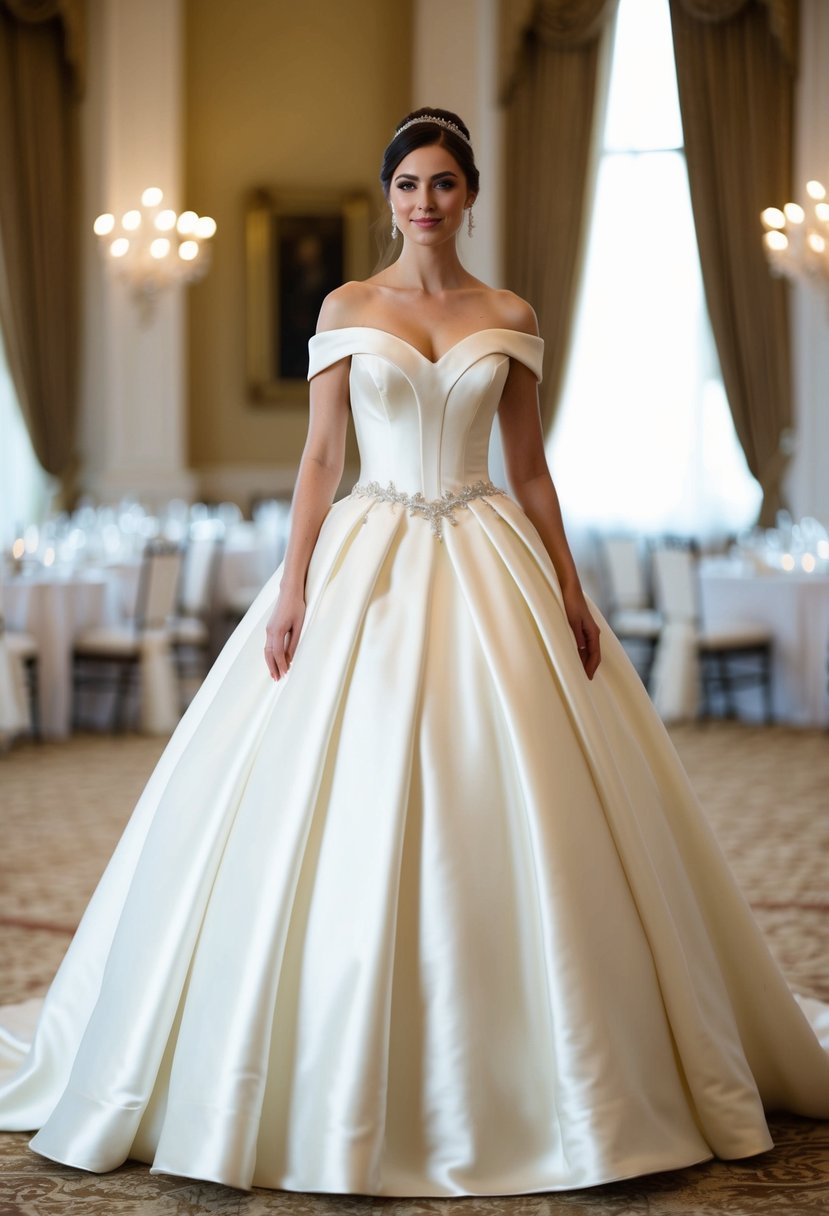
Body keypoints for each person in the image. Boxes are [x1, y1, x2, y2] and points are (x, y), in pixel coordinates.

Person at [0, 108, 827, 1199]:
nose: (423, 202)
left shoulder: (510, 313)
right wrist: (292, 588)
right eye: (406, 186)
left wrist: (572, 590)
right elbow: (319, 462)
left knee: (522, 783)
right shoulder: (347, 307)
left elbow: (531, 472)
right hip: (369, 557)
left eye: (441, 184)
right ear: (388, 197)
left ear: (468, 194)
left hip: (491, 554)